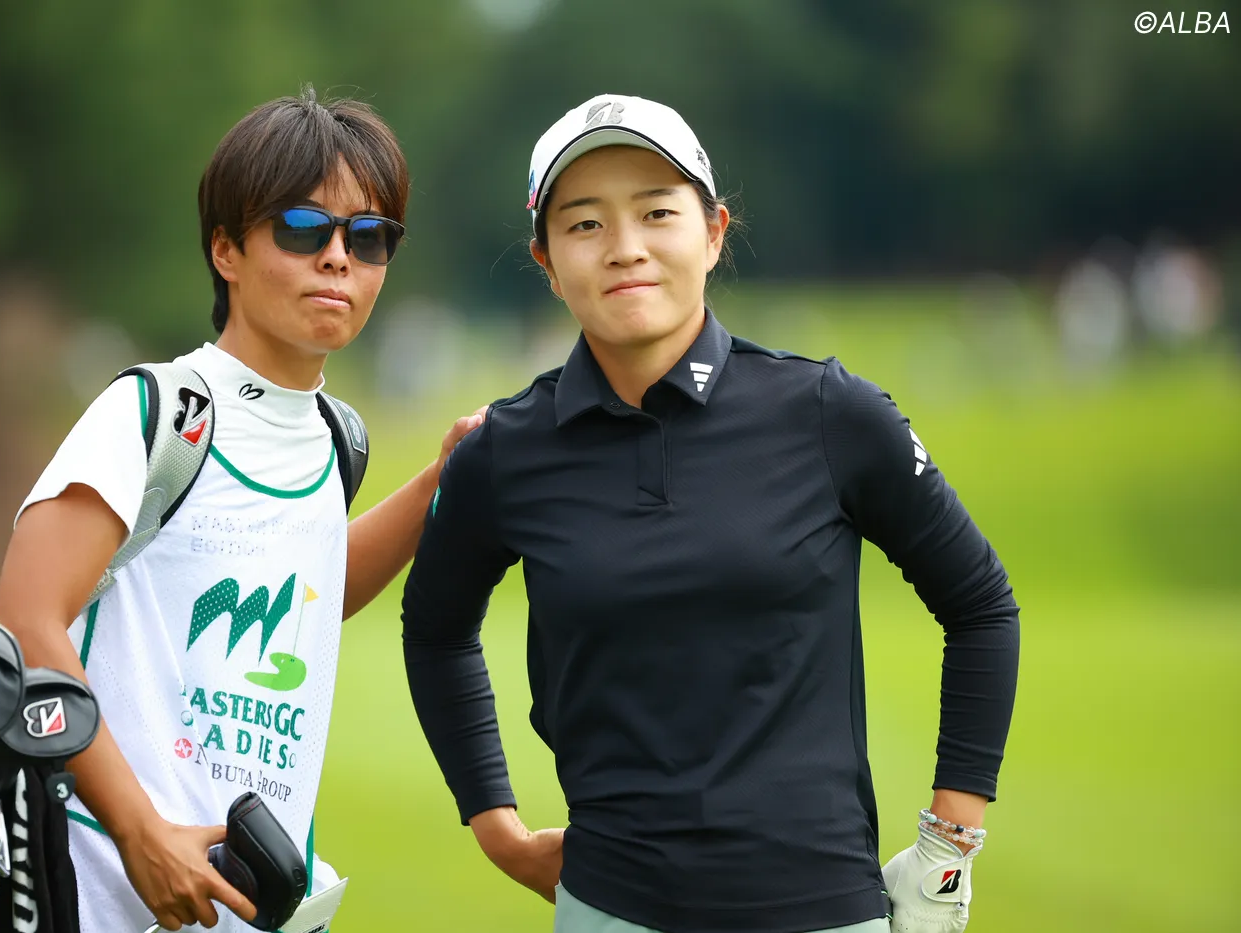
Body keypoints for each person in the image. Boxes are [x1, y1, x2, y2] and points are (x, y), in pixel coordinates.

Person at [401, 94, 1020, 933]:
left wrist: (949, 843)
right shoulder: (507, 449)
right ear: (546, 260)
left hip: (823, 910)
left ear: (715, 231)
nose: (625, 247)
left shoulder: (828, 412)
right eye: (584, 224)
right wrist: (498, 828)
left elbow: (979, 603)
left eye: (657, 212)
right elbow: (436, 629)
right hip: (609, 909)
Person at [0, 90, 483, 933]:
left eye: (369, 237)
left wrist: (441, 480)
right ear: (227, 249)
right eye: (303, 229)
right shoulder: (157, 412)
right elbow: (26, 621)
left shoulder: (337, 439)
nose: (338, 258)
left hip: (250, 904)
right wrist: (141, 833)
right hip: (100, 891)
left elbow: (308, 592)